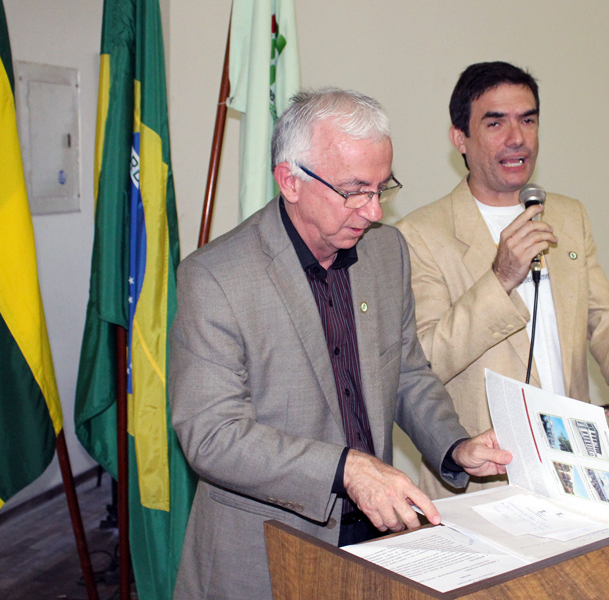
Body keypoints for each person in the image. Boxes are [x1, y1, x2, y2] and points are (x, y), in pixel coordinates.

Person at [169, 87, 512, 600]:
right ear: (290, 180)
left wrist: (454, 445)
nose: (373, 211)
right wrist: (345, 469)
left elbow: (407, 372)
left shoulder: (386, 252)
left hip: (375, 540)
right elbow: (212, 436)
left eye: (382, 188)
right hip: (264, 548)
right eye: (354, 191)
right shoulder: (217, 277)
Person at [396, 62, 609, 500]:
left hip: (573, 467)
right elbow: (424, 363)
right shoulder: (418, 235)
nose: (517, 138)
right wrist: (499, 279)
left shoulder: (568, 216)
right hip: (483, 479)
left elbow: (603, 315)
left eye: (528, 120)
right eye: (495, 123)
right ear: (460, 138)